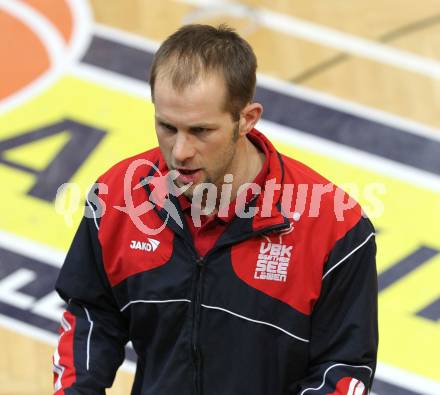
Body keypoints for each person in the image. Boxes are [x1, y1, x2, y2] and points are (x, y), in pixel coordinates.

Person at [53, 24, 378, 395]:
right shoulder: (118, 199)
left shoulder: (336, 228)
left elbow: (341, 370)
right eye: (167, 127)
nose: (180, 152)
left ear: (247, 119)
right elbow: (93, 316)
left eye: (201, 131)